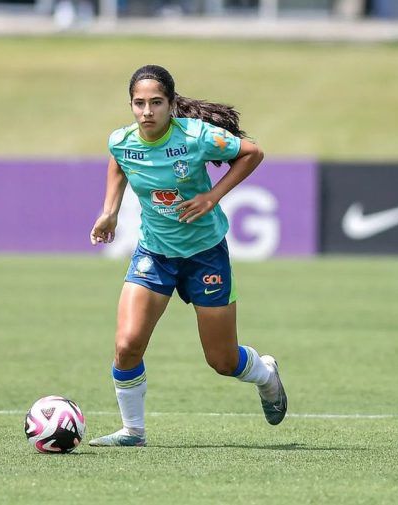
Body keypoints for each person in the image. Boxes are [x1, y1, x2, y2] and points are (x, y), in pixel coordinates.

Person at [88, 64, 287, 447]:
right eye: (139, 103)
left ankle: (265, 373)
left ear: (171, 104)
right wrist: (110, 210)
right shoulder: (122, 140)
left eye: (156, 103)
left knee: (222, 361)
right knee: (127, 344)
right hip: (155, 253)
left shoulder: (197, 136)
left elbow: (252, 153)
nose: (147, 112)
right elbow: (119, 161)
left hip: (204, 255)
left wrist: (213, 195)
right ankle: (133, 430)